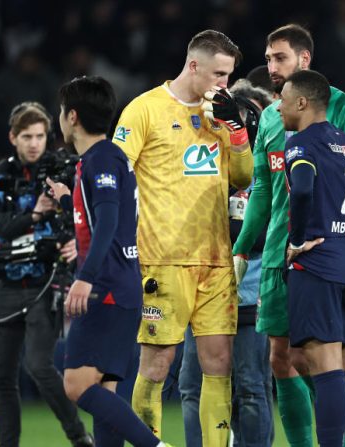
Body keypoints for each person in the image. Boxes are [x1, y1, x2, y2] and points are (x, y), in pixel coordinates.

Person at [231, 24, 345, 447]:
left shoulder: (344, 109)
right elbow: (261, 187)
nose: (270, 66)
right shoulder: (273, 116)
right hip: (281, 252)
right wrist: (242, 250)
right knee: (284, 358)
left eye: (279, 58)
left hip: (317, 252)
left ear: (304, 60)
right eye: (269, 58)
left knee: (326, 358)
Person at [111, 29, 252, 447]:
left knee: (219, 364)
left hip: (215, 260)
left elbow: (243, 178)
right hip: (163, 259)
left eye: (228, 75)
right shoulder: (145, 110)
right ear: (194, 66)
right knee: (156, 365)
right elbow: (116, 176)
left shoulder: (221, 116)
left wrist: (237, 130)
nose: (224, 84)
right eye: (219, 74)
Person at [46, 75, 168, 447]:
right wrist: (69, 200)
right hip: (124, 285)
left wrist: (85, 278)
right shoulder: (109, 158)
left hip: (107, 288)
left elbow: (110, 222)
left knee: (75, 383)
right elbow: (103, 216)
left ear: (72, 117)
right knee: (105, 391)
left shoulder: (100, 160)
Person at [0, 101, 92, 447]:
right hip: (7, 282)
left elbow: (89, 211)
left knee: (40, 366)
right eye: (26, 136)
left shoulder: (64, 169)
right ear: (13, 137)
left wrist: (76, 242)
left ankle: (78, 437)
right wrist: (34, 215)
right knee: (1, 378)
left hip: (48, 281)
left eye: (40, 136)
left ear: (48, 137)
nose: (34, 143)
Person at [178, 78, 275, 447]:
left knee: (251, 387)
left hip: (249, 291)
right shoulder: (203, 166)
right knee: (193, 385)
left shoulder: (269, 172)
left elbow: (274, 231)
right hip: (201, 290)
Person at [280, 69, 345, 447]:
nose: (280, 105)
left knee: (325, 364)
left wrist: (298, 239)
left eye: (284, 99)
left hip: (317, 260)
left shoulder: (302, 143)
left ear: (302, 102)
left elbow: (301, 190)